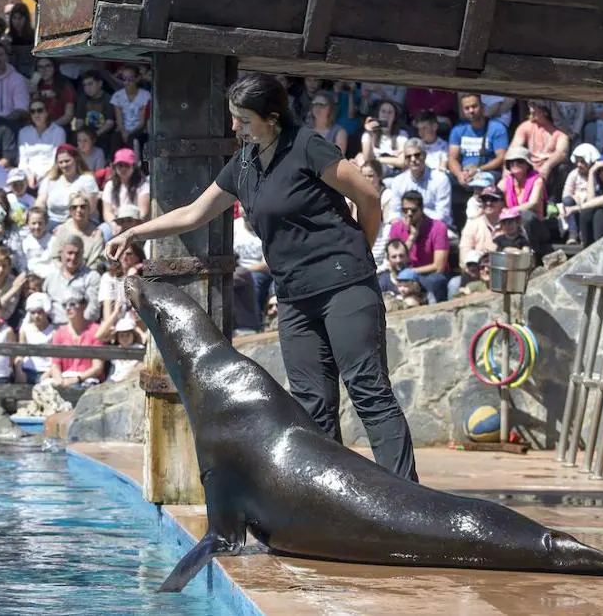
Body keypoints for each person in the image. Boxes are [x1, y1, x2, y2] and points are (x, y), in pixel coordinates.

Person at [105, 73, 418, 482]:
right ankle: (333, 500)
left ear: (272, 118)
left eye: (244, 119)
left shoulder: (306, 146)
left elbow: (368, 196)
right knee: (312, 405)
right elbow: (194, 213)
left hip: (344, 287)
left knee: (368, 391)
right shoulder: (245, 163)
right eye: (233, 118)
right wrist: (134, 232)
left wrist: (359, 251)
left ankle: (407, 497)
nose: (235, 127)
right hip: (294, 296)